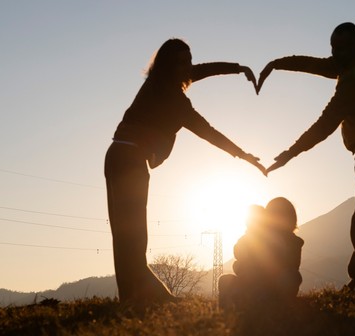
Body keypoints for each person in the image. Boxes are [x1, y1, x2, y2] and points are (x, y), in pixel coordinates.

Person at [105, 38, 264, 305]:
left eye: (188, 60)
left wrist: (238, 68)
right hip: (130, 160)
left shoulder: (154, 85)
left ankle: (131, 299)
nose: (187, 66)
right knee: (132, 237)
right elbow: (208, 132)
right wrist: (243, 154)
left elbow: (202, 70)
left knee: (125, 236)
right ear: (168, 65)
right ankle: (152, 299)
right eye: (181, 62)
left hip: (116, 155)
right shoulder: (174, 100)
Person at [257, 22, 355, 295]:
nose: (335, 54)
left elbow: (326, 122)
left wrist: (290, 153)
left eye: (342, 48)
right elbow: (320, 65)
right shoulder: (351, 63)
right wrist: (277, 64)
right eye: (333, 48)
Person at [218, 197, 304, 311]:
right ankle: (249, 300)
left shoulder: (293, 243)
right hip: (254, 284)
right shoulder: (258, 237)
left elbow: (290, 268)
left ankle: (266, 301)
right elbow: (239, 252)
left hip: (276, 287)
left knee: (290, 276)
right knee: (225, 280)